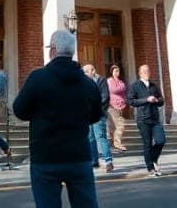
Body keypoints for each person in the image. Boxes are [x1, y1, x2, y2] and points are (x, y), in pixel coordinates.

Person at [13, 29, 103, 208]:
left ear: (52, 51)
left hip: (46, 155)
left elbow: (20, 110)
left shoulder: (37, 78)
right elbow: (95, 116)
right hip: (79, 155)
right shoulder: (88, 83)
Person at [127, 64, 167, 176]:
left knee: (161, 140)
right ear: (140, 73)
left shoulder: (154, 86)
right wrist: (146, 99)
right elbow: (131, 101)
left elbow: (162, 100)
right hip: (143, 119)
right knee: (147, 144)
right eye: (144, 71)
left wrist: (156, 100)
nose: (147, 73)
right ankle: (150, 168)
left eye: (148, 71)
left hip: (155, 118)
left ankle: (153, 159)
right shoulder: (135, 86)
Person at [82, 64, 113, 172]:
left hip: (98, 114)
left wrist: (95, 107)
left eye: (86, 72)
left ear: (93, 71)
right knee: (90, 138)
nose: (85, 74)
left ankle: (108, 161)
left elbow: (105, 97)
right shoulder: (85, 83)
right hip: (88, 115)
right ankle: (94, 161)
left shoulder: (101, 80)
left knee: (101, 137)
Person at [105, 65, 128, 152]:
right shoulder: (109, 81)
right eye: (115, 71)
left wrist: (124, 102)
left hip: (121, 106)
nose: (117, 73)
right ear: (112, 72)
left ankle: (114, 143)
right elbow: (110, 92)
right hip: (112, 106)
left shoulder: (121, 82)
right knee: (120, 125)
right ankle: (117, 143)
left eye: (118, 71)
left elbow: (124, 93)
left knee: (115, 126)